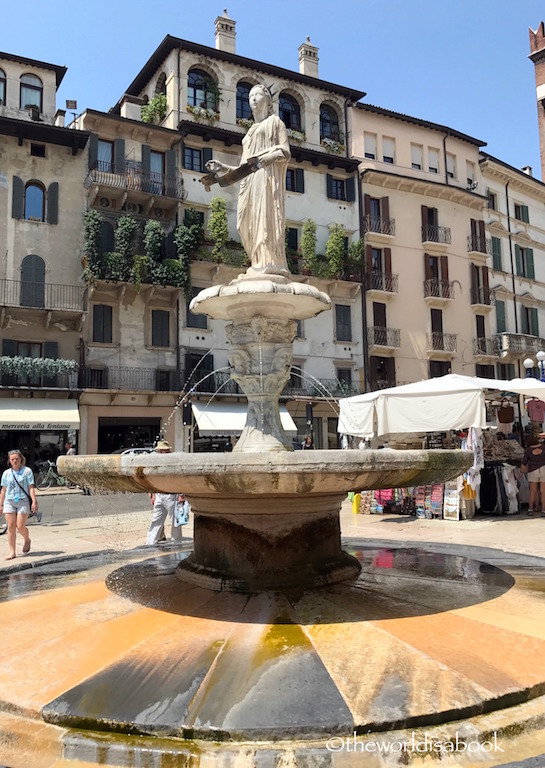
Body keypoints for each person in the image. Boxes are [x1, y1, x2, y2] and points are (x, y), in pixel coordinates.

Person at [201, 83, 290, 275]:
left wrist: (268, 158)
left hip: (266, 178)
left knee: (264, 219)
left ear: (267, 99)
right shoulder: (249, 132)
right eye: (250, 96)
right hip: (249, 179)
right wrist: (223, 167)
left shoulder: (276, 123)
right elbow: (243, 167)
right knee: (242, 224)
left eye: (257, 95)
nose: (253, 99)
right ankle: (257, 261)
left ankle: (269, 262)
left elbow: (285, 152)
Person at [0, 449, 38, 560]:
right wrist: (1, 504)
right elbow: (3, 490)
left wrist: (34, 501)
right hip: (9, 500)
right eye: (12, 459)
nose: (15, 461)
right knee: (11, 526)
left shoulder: (27, 471)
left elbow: (31, 487)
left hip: (22, 500)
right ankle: (12, 552)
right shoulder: (6, 473)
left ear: (21, 459)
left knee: (20, 526)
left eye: (17, 459)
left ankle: (27, 539)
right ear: (9, 461)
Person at [145, 440, 185, 544]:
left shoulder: (174, 463)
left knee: (175, 521)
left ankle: (176, 541)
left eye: (163, 451)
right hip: (159, 495)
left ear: (167, 451)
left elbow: (180, 479)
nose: (161, 452)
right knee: (156, 519)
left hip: (172, 495)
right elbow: (153, 479)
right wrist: (152, 494)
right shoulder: (156, 463)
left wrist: (181, 495)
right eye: (160, 451)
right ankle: (151, 542)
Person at [520, 432, 545, 516]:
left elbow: (524, 462)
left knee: (533, 491)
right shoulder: (544, 447)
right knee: (543, 491)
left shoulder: (528, 450)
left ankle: (530, 509)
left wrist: (521, 472)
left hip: (532, 471)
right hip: (543, 469)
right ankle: (543, 510)